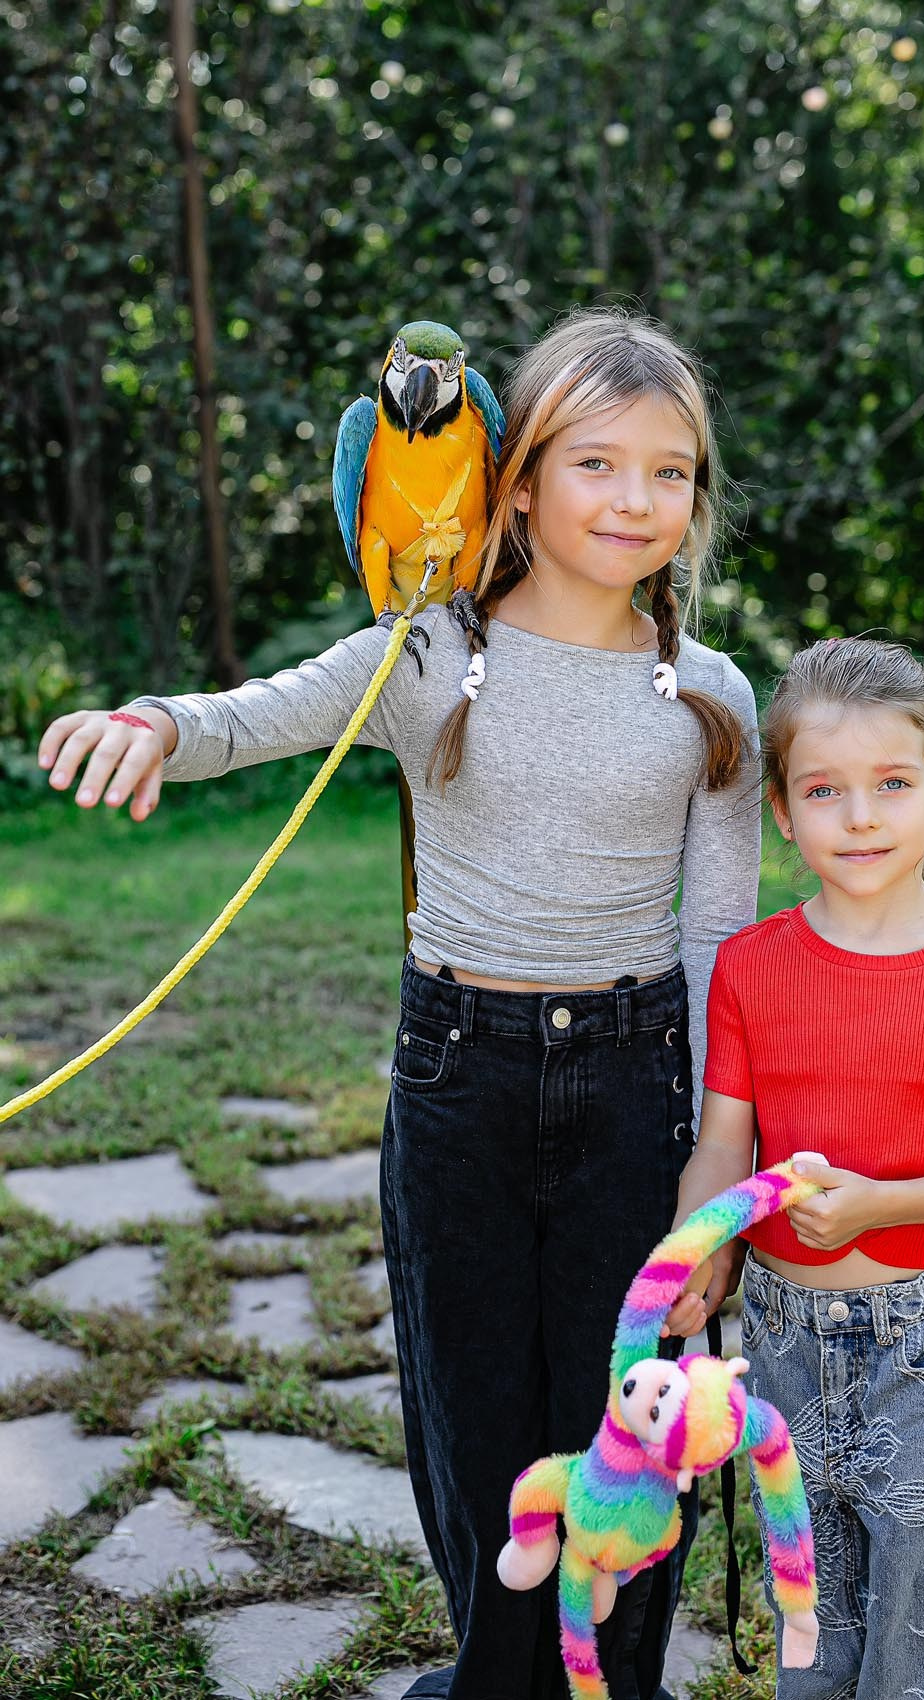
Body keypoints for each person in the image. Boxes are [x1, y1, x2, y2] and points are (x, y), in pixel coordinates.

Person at [37, 308, 761, 1700]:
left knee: (629, 1431)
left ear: (696, 499)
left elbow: (723, 943)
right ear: (522, 477)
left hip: (638, 1090)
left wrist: (715, 1174)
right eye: (596, 464)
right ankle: (497, 1684)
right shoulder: (427, 656)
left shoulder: (710, 697)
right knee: (475, 1428)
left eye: (669, 472)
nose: (633, 500)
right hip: (458, 1081)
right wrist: (150, 726)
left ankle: (611, 1685)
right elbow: (251, 715)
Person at [664, 637, 924, 1700]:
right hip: (781, 1338)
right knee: (813, 1626)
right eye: (822, 789)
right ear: (782, 811)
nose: (858, 816)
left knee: (921, 1641)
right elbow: (722, 1141)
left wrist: (881, 1204)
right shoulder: (750, 967)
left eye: (890, 784)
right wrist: (692, 1253)